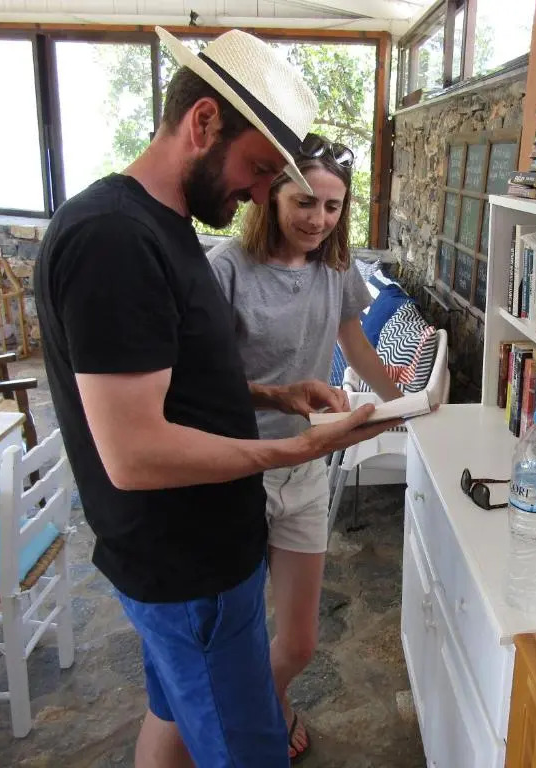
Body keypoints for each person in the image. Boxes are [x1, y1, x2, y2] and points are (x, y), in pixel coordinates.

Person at [34, 27, 394, 768]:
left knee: (172, 722)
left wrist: (274, 393)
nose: (261, 193)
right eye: (259, 168)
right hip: (187, 569)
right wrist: (300, 448)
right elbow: (135, 453)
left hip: (198, 561)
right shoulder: (113, 240)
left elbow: (174, 388)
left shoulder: (160, 228)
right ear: (203, 122)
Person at [209, 138, 402, 762]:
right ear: (270, 196)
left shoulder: (335, 270)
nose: (318, 219)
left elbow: (356, 344)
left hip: (307, 469)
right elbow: (200, 382)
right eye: (304, 202)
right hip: (236, 471)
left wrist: (404, 403)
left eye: (333, 206)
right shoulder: (226, 269)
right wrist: (276, 399)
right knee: (228, 638)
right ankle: (252, 719)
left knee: (298, 643)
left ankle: (268, 697)